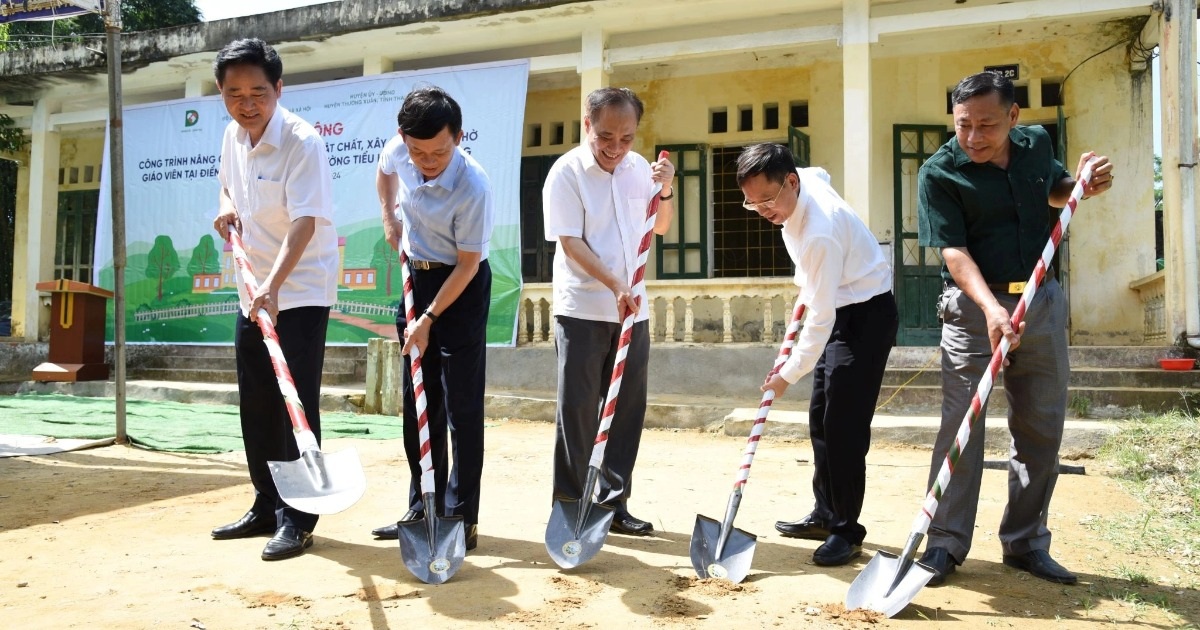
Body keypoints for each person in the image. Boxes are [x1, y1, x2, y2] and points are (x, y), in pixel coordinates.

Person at [916, 71, 1114, 585]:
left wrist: (1081, 188)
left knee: (1040, 424)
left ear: (1013, 117)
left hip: (1040, 299)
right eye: (963, 126)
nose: (975, 137)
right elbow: (953, 251)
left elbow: (1053, 191)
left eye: (987, 125)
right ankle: (944, 543)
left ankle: (1025, 542)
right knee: (962, 426)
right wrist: (990, 309)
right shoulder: (938, 173)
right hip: (972, 305)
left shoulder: (1036, 144)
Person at [736, 143, 898, 566]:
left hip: (864, 316)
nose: (763, 211)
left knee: (843, 424)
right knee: (821, 417)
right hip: (839, 306)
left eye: (767, 201)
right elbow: (820, 172)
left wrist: (787, 373)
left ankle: (847, 530)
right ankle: (826, 513)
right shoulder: (801, 181)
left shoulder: (820, 232)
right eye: (752, 204)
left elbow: (822, 317)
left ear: (790, 182)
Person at [209, 38, 340, 561]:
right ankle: (266, 501)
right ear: (222, 94)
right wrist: (225, 209)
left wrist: (274, 285)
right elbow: (227, 187)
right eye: (234, 92)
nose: (247, 103)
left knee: (295, 404)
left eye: (258, 92)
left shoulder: (302, 142)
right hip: (253, 290)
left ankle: (299, 516)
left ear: (278, 89)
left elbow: (304, 222)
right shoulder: (232, 136)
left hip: (299, 290)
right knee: (258, 399)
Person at [542, 87, 675, 536]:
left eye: (626, 137)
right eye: (605, 137)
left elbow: (659, 225)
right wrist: (615, 282)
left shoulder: (641, 171)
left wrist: (667, 189)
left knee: (626, 410)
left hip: (632, 312)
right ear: (587, 126)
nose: (615, 148)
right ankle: (570, 506)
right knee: (577, 411)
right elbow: (570, 242)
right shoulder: (566, 173)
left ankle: (614, 505)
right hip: (582, 308)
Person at [368, 86, 493, 552]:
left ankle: (462, 516)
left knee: (460, 405)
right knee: (418, 398)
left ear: (458, 137)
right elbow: (385, 177)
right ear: (403, 138)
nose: (428, 160)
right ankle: (423, 505)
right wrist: (388, 217)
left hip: (459, 287)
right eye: (418, 151)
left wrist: (428, 318)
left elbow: (466, 263)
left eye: (440, 150)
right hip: (414, 279)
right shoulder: (399, 149)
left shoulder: (472, 186)